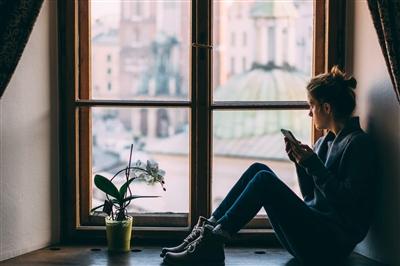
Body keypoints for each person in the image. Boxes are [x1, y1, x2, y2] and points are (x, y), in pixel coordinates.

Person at [160, 66, 375, 265]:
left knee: (264, 180)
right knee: (258, 168)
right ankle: (206, 234)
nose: (310, 112)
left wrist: (313, 165)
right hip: (314, 234)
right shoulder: (323, 142)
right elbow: (311, 197)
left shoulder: (358, 144)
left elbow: (347, 203)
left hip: (329, 246)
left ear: (326, 108)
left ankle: (214, 242)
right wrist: (300, 164)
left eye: (312, 105)